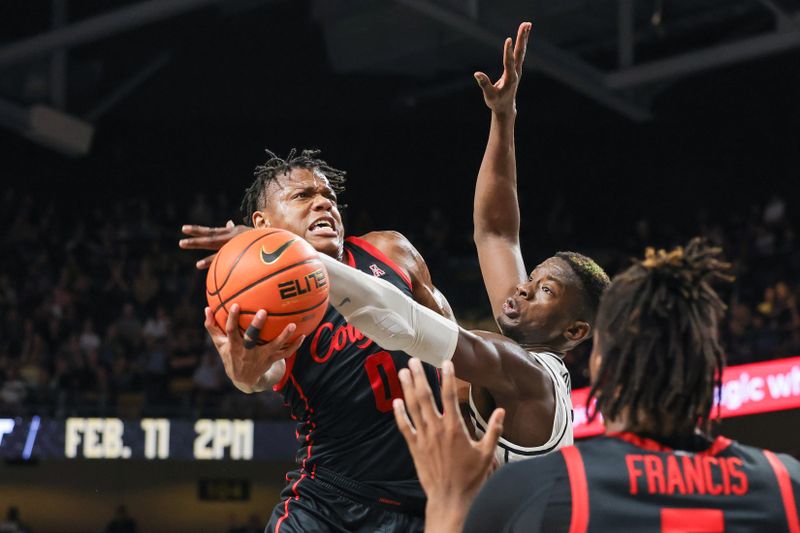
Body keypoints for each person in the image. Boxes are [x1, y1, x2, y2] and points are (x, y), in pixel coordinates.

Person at [318, 21, 609, 465]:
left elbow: (409, 324)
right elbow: (497, 231)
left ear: (573, 332)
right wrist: (504, 114)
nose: (524, 287)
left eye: (546, 290)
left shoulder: (525, 374)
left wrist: (297, 257)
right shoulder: (526, 349)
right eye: (532, 278)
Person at [393, 239, 800, 532]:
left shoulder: (539, 488)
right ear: (711, 367)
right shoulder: (786, 484)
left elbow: (496, 233)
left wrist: (448, 508)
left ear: (601, 364)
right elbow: (497, 234)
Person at [180, 149, 455, 532]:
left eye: (328, 197)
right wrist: (245, 373)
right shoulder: (259, 295)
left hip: (432, 503)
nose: (323, 202)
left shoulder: (390, 251)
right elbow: (259, 374)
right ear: (262, 223)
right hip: (330, 503)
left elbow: (457, 352)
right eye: (302, 196)